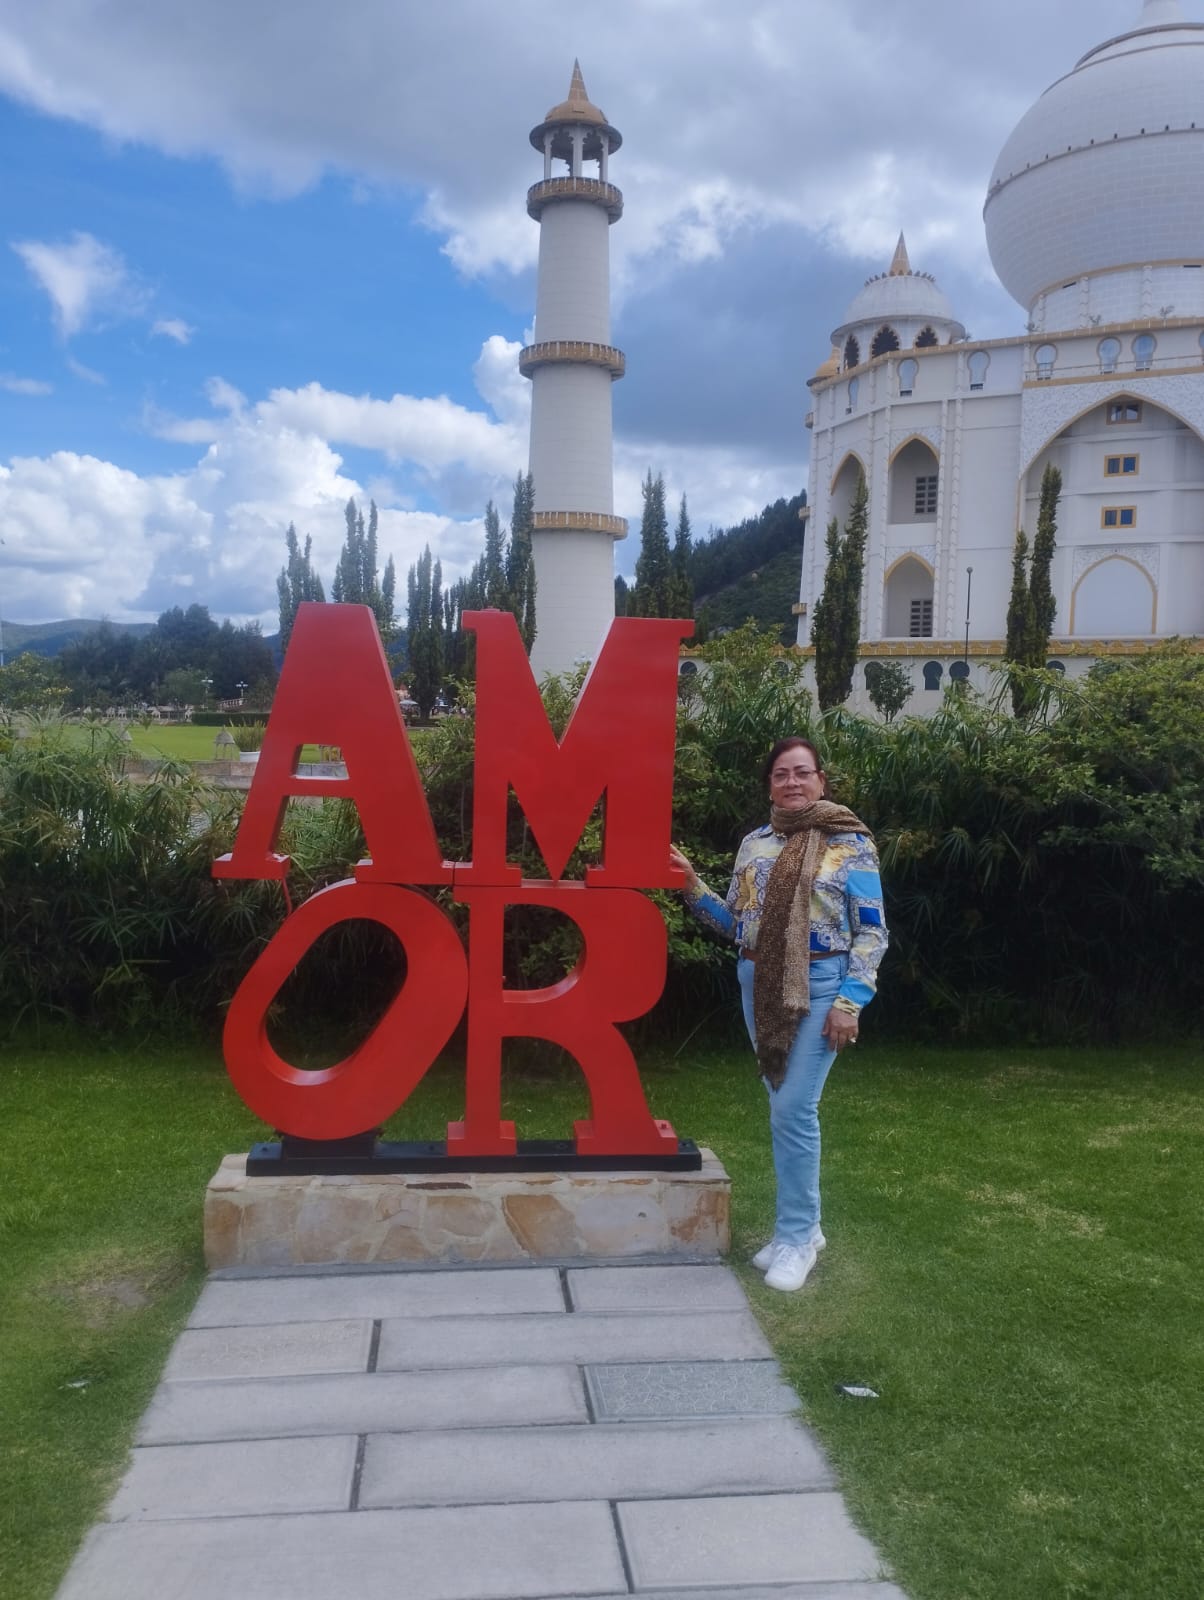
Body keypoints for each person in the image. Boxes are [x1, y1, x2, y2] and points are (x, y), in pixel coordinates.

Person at [669, 737, 888, 1292]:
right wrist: (693, 884)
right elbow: (736, 925)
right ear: (770, 784)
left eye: (801, 773)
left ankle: (796, 1237)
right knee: (782, 1107)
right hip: (757, 981)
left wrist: (850, 1002)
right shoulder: (755, 844)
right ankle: (805, 1230)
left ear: (821, 780)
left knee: (793, 1109)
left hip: (820, 985)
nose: (791, 782)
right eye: (780, 775)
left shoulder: (850, 844)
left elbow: (872, 930)